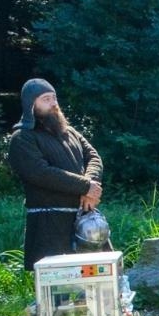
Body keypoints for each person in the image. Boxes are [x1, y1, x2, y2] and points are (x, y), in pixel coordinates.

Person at [7, 78, 104, 270]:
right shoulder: (23, 138)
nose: (53, 104)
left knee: (95, 282)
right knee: (59, 290)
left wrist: (90, 186)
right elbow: (40, 173)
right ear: (30, 104)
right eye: (46, 99)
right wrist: (86, 186)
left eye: (54, 98)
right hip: (49, 225)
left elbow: (93, 157)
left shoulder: (69, 132)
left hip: (85, 221)